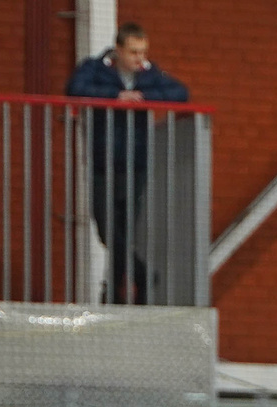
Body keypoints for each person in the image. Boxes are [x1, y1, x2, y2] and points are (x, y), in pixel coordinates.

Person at [66, 22, 189, 302]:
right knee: (106, 227)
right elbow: (74, 87)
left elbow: (180, 92)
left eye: (143, 52)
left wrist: (143, 98)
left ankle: (115, 295)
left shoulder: (150, 74)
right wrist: (115, 97)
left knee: (124, 230)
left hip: (136, 162)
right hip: (103, 160)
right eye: (133, 52)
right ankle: (142, 274)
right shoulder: (95, 69)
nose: (139, 59)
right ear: (118, 49)